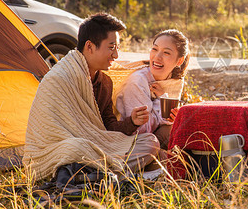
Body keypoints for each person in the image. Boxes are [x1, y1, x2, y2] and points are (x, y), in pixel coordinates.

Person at [24, 13, 161, 181]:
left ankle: (98, 176)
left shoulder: (104, 83)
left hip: (97, 149)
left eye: (117, 48)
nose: (116, 55)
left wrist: (132, 122)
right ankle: (108, 175)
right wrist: (87, 146)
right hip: (62, 152)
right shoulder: (58, 79)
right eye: (111, 47)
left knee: (150, 142)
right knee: (76, 148)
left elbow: (107, 127)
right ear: (89, 46)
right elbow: (47, 136)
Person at [114, 29, 190, 149]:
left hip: (152, 135)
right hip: (131, 139)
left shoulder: (173, 82)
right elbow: (142, 130)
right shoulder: (137, 81)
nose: (157, 57)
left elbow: (167, 120)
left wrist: (173, 117)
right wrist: (161, 100)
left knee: (183, 128)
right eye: (154, 49)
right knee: (174, 133)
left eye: (166, 53)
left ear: (179, 61)